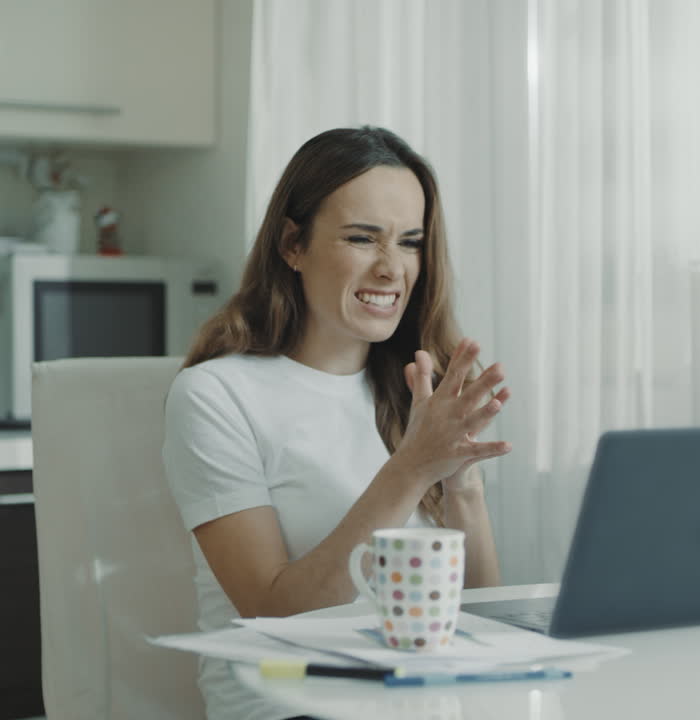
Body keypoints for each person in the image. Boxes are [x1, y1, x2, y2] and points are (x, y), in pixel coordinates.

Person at [162, 126, 512, 720]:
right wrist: (413, 466)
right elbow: (274, 614)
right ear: (292, 244)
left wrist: (462, 486)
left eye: (410, 243)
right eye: (361, 238)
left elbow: (479, 621)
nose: (391, 269)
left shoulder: (423, 388)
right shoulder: (215, 395)